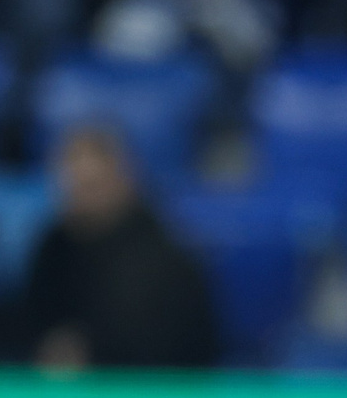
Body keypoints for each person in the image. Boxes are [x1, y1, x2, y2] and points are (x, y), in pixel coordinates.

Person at [21, 124, 218, 370]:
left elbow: (167, 350)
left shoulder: (165, 259)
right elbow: (28, 327)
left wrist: (89, 356)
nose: (82, 196)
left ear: (126, 177)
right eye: (73, 184)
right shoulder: (54, 245)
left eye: (93, 185)